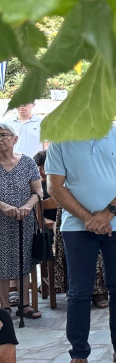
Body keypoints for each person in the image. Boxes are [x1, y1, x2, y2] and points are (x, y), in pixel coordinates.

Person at [47, 123, 116, 363]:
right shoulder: (61, 138)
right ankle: (78, 354)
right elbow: (55, 186)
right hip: (77, 227)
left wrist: (107, 213)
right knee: (79, 291)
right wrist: (88, 218)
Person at [0, 122, 43, 320]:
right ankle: (5, 307)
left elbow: (38, 191)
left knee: (24, 261)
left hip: (24, 220)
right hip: (1, 221)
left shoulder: (27, 162)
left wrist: (28, 205)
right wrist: (4, 206)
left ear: (15, 139)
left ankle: (25, 304)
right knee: (1, 262)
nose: (0, 139)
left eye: (4, 135)